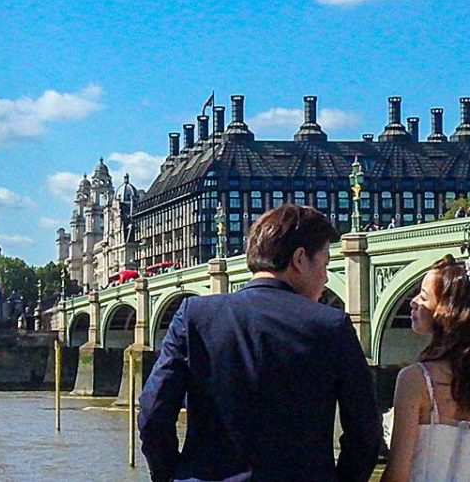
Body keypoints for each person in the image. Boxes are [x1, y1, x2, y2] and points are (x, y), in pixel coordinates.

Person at [138, 204, 382, 482]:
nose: (326, 279)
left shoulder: (194, 316)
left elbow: (153, 411)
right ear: (300, 259)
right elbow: (364, 431)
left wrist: (172, 475)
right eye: (325, 263)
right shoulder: (331, 326)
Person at [381, 254, 470, 482]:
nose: (413, 301)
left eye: (423, 296)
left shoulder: (416, 380)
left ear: (446, 311)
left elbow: (398, 474)